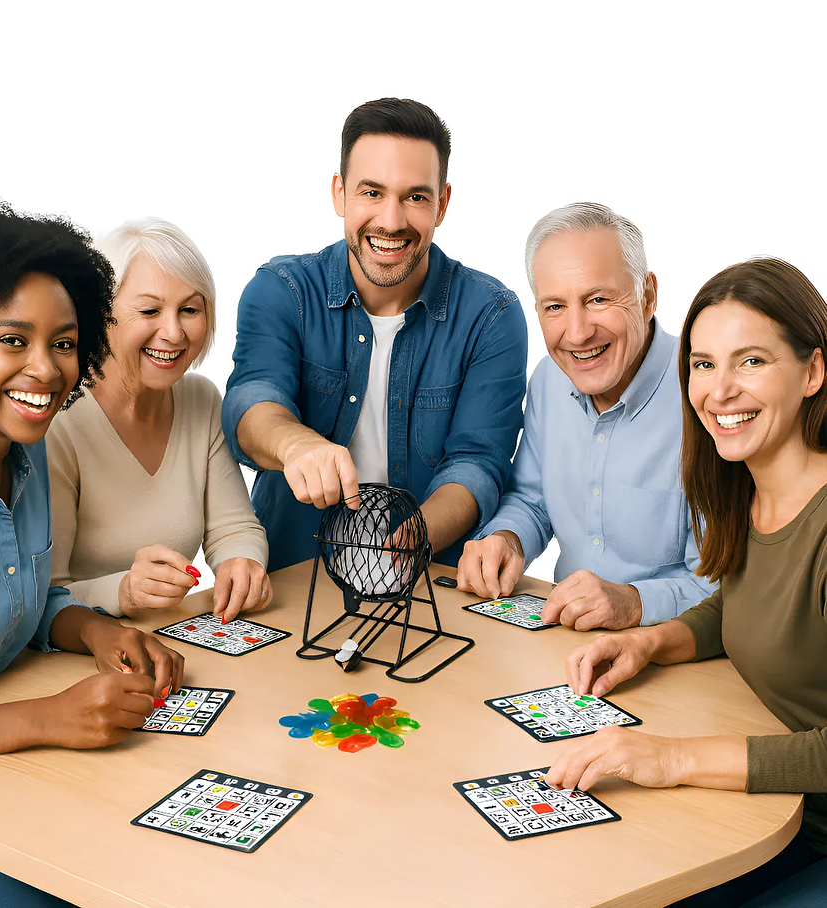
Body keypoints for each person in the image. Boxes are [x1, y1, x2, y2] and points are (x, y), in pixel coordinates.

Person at [0, 203, 184, 906]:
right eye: (13, 339)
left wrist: (97, 630)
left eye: (64, 343)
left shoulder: (25, 460)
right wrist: (48, 718)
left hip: (11, 776)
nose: (45, 367)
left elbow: (19, 603)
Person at [546, 258, 827, 905]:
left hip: (813, 839)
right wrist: (649, 642)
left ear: (813, 372)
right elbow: (744, 603)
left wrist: (672, 759)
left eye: (751, 361)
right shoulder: (747, 492)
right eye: (703, 364)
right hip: (768, 819)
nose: (720, 390)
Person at [222, 98, 527, 571]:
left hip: (427, 586)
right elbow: (250, 402)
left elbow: (479, 463)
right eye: (372, 192)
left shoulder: (492, 315)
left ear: (442, 204)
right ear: (339, 193)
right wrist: (296, 444)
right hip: (290, 577)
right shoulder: (282, 290)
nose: (391, 220)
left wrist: (408, 542)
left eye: (415, 197)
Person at [457, 203, 714, 630]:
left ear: (647, 295)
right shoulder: (548, 381)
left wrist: (633, 602)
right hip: (566, 640)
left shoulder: (705, 393)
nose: (577, 334)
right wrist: (506, 537)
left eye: (597, 299)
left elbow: (721, 583)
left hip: (674, 652)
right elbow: (532, 497)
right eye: (554, 307)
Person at [47, 218, 270, 620]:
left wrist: (243, 563)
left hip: (168, 640)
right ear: (101, 315)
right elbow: (44, 595)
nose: (173, 332)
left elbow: (234, 528)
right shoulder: (58, 418)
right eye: (150, 310)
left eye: (189, 310)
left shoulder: (200, 399)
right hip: (75, 654)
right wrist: (123, 591)